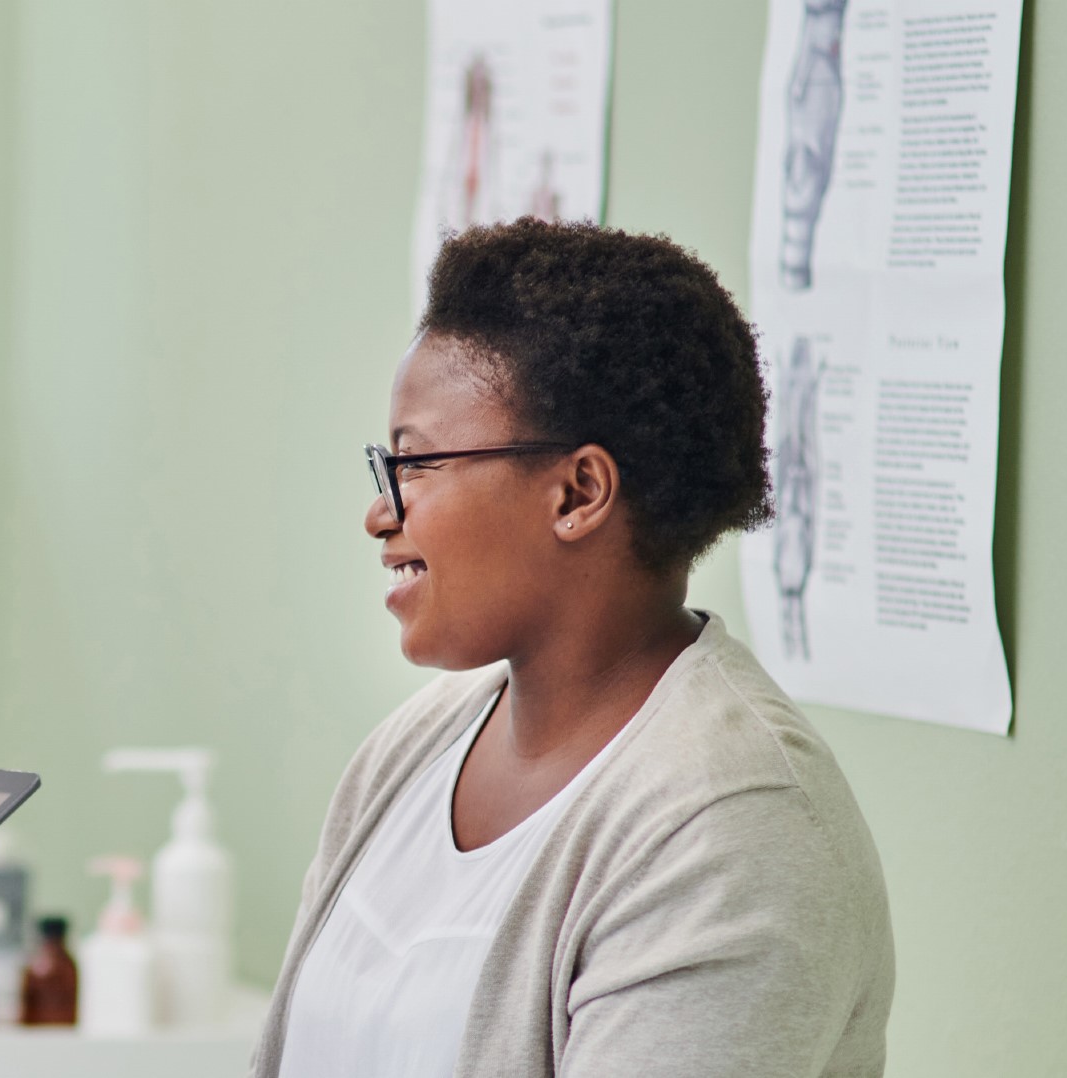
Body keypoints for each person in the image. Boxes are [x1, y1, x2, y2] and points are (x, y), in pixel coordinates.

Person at [252, 219, 894, 1078]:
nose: (381, 512)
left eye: (417, 465)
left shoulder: (731, 829)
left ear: (578, 492)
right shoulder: (412, 750)